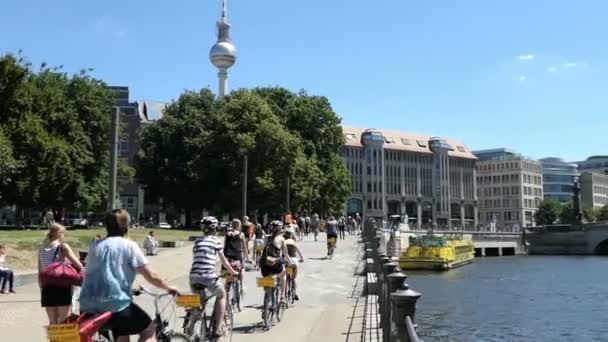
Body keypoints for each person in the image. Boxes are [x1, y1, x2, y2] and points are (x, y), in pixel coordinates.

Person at [79, 209, 178, 342]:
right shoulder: (129, 245)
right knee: (149, 329)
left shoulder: (95, 245)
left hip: (87, 306)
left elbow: (99, 271)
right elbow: (151, 276)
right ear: (126, 226)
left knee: (123, 333)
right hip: (115, 305)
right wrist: (169, 288)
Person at [190, 217, 238, 339]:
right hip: (208, 276)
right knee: (221, 295)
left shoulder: (197, 241)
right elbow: (224, 261)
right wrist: (233, 272)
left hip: (193, 276)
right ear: (215, 229)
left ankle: (191, 326)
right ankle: (217, 328)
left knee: (199, 301)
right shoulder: (216, 241)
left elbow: (199, 258)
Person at [38, 223, 83, 324]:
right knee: (63, 322)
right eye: (63, 233)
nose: (64, 235)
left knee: (52, 322)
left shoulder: (42, 249)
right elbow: (79, 265)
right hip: (62, 286)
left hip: (47, 287)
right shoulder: (63, 247)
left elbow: (40, 270)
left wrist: (41, 286)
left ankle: (53, 340)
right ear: (57, 233)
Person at [260, 220, 290, 303]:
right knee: (283, 273)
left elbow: (263, 248)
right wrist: (290, 262)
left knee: (266, 276)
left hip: (264, 263)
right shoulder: (282, 239)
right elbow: (286, 255)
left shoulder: (266, 237)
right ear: (280, 230)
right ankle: (282, 297)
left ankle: (266, 295)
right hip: (275, 263)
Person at [223, 219, 250, 293]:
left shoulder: (228, 234)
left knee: (228, 272)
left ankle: (226, 291)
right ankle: (241, 286)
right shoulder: (241, 234)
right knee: (242, 269)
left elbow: (225, 246)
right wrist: (248, 258)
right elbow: (245, 248)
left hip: (228, 257)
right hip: (238, 256)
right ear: (239, 226)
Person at [283, 231, 304, 301]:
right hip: (294, 261)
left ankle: (283, 294)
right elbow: (299, 252)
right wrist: (301, 259)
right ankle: (294, 293)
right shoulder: (293, 242)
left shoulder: (283, 242)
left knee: (284, 277)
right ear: (291, 236)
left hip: (286, 261)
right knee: (294, 278)